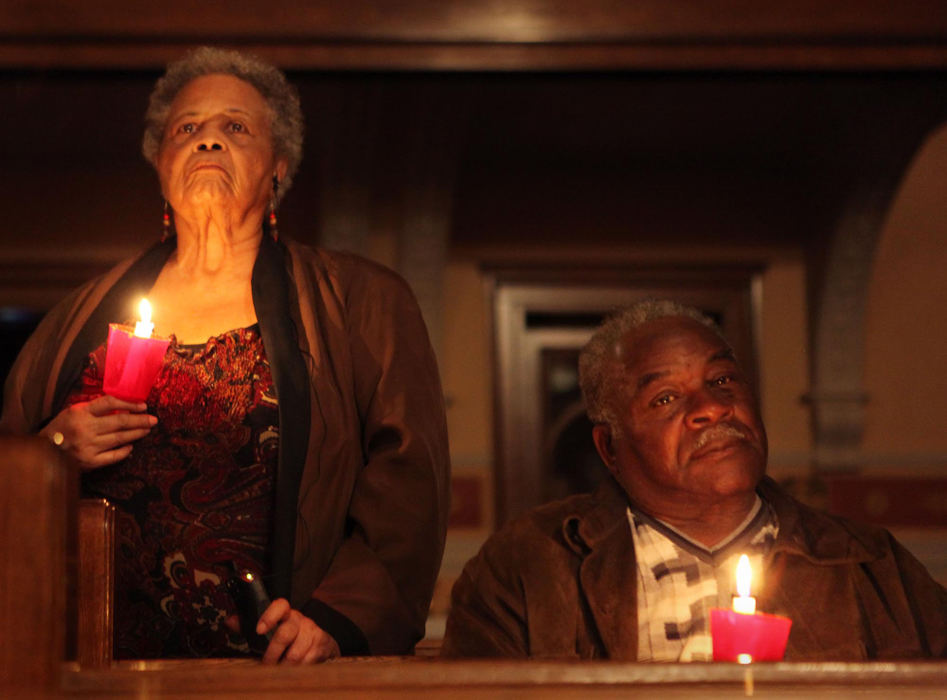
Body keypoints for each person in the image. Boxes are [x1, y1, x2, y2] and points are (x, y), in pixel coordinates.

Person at [0, 47, 450, 664]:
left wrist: (335, 618)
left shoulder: (362, 301)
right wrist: (52, 454)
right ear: (161, 165)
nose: (208, 141)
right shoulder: (77, 319)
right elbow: (11, 471)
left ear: (278, 168)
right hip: (87, 665)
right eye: (187, 129)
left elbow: (409, 486)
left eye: (235, 127)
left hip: (272, 664)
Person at [441, 299, 947, 660]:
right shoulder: (530, 564)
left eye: (722, 380)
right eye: (665, 398)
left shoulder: (872, 565)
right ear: (609, 448)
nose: (712, 408)